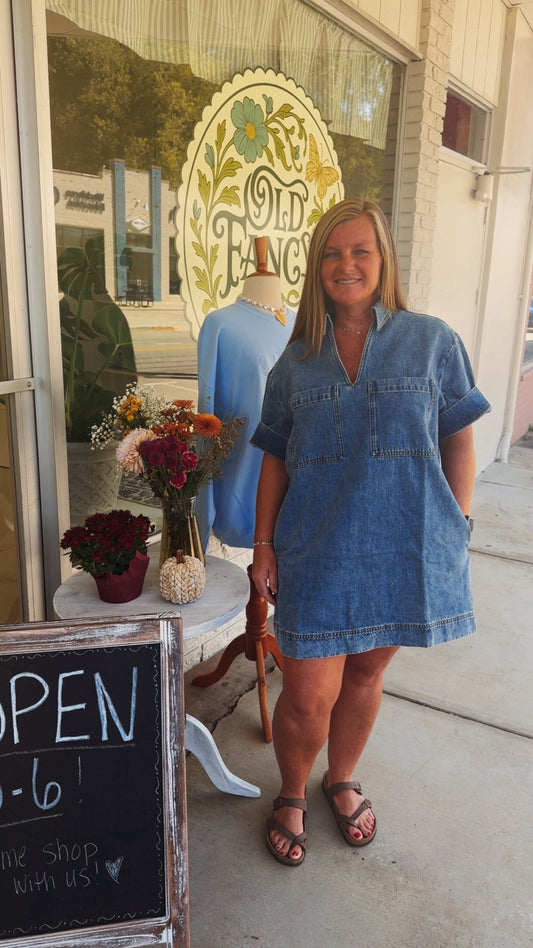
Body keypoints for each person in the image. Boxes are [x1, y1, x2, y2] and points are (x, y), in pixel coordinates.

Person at [250, 198, 490, 866]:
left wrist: (456, 526)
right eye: (330, 252)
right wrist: (262, 543)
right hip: (316, 549)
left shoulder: (432, 340)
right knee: (305, 696)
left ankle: (341, 778)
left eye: (359, 250)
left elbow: (458, 442)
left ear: (382, 260)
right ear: (315, 267)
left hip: (400, 544)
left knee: (363, 676)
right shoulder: (295, 359)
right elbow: (274, 456)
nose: (344, 264)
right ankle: (291, 791)